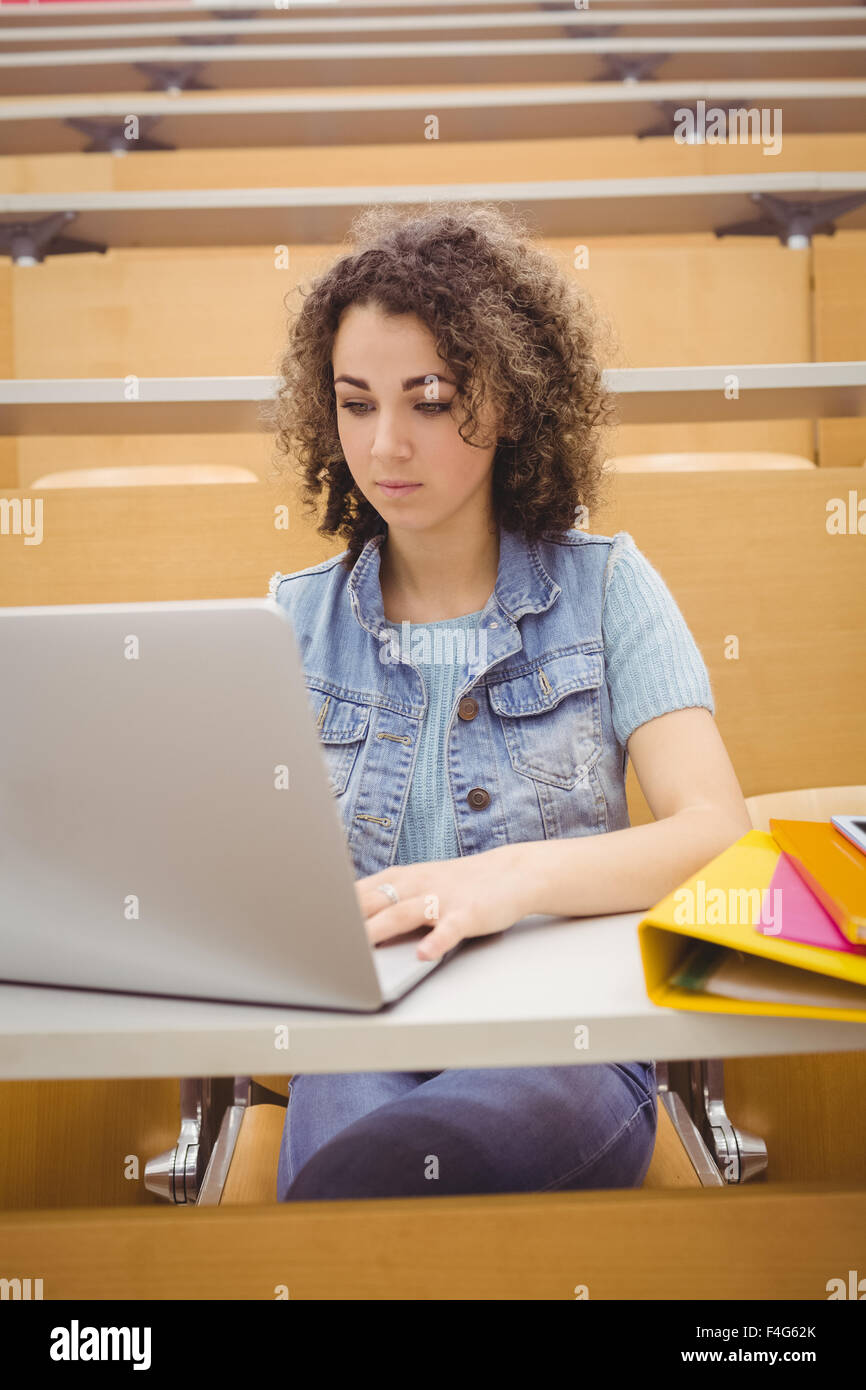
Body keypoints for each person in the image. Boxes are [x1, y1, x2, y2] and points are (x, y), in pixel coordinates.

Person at [265, 201, 752, 1202]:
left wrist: (508, 882)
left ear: (512, 401)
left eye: (430, 399)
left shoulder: (607, 586)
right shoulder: (287, 622)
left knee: (372, 1178)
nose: (386, 442)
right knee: (346, 1155)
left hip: (567, 1040)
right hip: (363, 1033)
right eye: (356, 403)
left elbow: (716, 834)